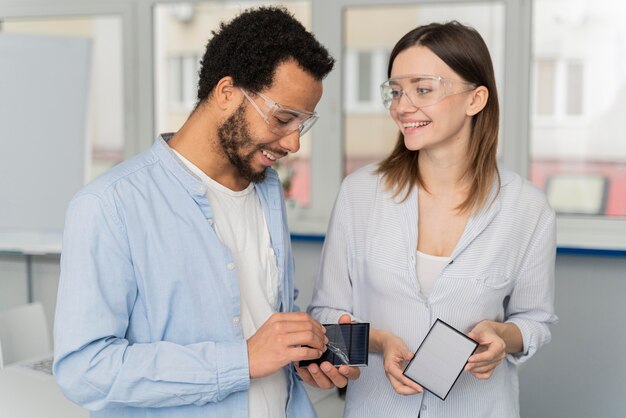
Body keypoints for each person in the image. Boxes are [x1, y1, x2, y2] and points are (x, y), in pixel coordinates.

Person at [53, 6, 358, 418]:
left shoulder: (267, 192)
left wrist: (306, 354)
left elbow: (257, 317)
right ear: (227, 92)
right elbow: (84, 370)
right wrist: (241, 361)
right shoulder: (109, 206)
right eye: (283, 119)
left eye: (302, 125)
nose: (293, 144)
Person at [308, 21, 557, 417]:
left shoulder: (527, 209)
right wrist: (377, 342)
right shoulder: (359, 194)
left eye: (422, 89)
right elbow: (322, 323)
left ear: (475, 99)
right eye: (395, 91)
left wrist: (503, 337)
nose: (402, 106)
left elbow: (535, 321)